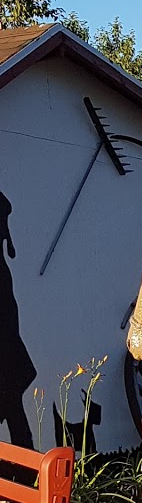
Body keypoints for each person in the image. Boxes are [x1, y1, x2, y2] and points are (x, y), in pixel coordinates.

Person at [0, 188, 36, 449]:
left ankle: (24, 469)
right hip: (9, 357)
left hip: (7, 356)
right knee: (13, 407)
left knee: (12, 404)